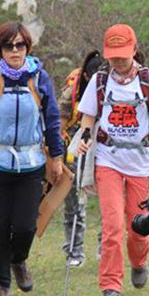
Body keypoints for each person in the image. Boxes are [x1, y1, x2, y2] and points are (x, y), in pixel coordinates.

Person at [0, 21, 63, 296]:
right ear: (0, 49)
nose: (14, 51)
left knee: (25, 226)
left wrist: (57, 156)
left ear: (27, 47)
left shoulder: (40, 79)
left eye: (20, 45)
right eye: (8, 46)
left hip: (31, 163)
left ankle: (19, 259)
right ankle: (1, 286)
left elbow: (52, 118)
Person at [75, 24, 149, 296]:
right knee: (112, 225)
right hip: (108, 159)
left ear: (134, 50)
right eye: (113, 55)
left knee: (138, 226)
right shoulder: (100, 80)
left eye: (123, 55)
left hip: (141, 162)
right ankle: (111, 286)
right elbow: (88, 117)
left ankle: (139, 262)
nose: (117, 60)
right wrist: (85, 137)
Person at [58, 51, 104, 266]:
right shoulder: (73, 88)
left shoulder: (113, 84)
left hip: (104, 144)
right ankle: (74, 251)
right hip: (74, 145)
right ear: (86, 76)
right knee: (74, 200)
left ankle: (105, 248)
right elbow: (60, 120)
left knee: (108, 201)